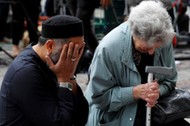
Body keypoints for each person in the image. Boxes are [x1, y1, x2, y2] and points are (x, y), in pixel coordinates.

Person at [84, 1, 190, 126]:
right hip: (116, 115)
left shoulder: (162, 37)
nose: (151, 52)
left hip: (153, 109)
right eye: (146, 48)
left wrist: (157, 92)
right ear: (134, 33)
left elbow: (169, 81)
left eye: (156, 46)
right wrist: (134, 92)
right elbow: (100, 98)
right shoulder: (108, 49)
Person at [0, 15, 89, 126]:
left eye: (80, 50)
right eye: (72, 50)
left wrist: (70, 77)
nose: (77, 56)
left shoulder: (57, 64)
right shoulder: (25, 72)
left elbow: (81, 118)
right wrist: (64, 80)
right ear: (50, 46)